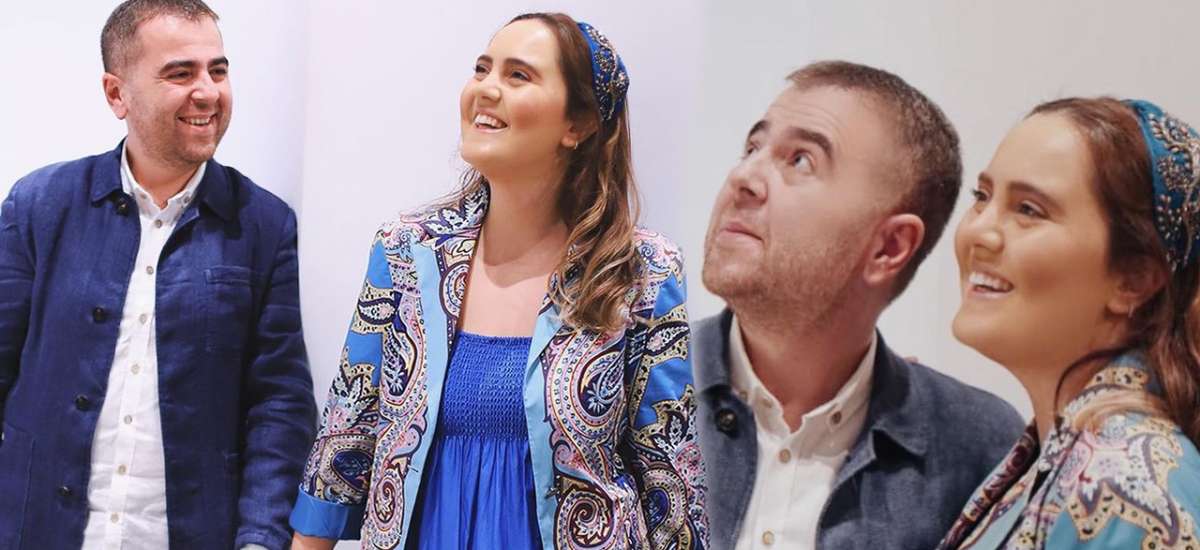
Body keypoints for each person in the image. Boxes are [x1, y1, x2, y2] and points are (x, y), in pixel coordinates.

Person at [289, 13, 706, 550]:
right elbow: (345, 434)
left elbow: (672, 477)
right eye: (482, 69)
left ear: (578, 124)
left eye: (518, 75)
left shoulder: (640, 271)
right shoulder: (407, 251)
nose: (485, 89)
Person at [0, 1, 316, 549]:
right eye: (180, 73)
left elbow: (279, 405)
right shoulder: (41, 205)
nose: (208, 92)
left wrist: (260, 539)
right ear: (116, 94)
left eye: (218, 70)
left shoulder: (262, 224)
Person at [693, 60, 1026, 550]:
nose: (743, 177)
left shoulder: (979, 448)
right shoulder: (618, 387)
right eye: (752, 148)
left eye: (800, 160)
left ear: (889, 247)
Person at [937, 97, 1200, 549]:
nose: (979, 231)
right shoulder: (1062, 459)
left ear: (1134, 279)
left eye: (1028, 210)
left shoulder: (1125, 489)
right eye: (982, 197)